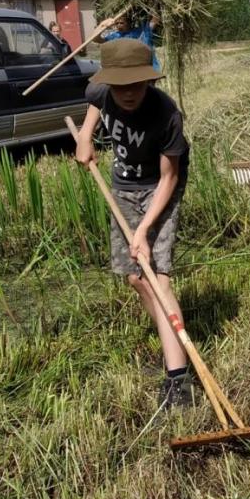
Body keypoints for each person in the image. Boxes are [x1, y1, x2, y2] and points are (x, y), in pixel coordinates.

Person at [74, 38, 194, 407]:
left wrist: (142, 231)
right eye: (120, 86)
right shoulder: (100, 90)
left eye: (136, 85)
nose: (127, 93)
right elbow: (94, 102)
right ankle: (168, 329)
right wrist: (85, 134)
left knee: (158, 277)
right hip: (122, 187)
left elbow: (169, 178)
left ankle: (178, 378)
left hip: (159, 190)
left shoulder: (167, 115)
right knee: (134, 277)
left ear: (150, 81)